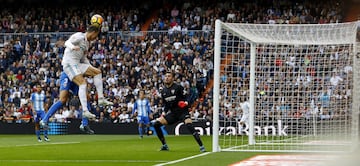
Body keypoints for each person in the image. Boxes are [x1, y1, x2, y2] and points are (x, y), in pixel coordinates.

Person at [61, 25, 112, 119]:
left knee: (97, 72)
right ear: (93, 32)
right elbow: (67, 42)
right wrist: (72, 47)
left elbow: (83, 58)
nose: (95, 38)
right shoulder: (79, 36)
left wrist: (90, 67)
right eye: (96, 36)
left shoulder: (87, 44)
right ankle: (85, 111)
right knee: (82, 83)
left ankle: (101, 99)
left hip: (76, 64)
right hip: (69, 64)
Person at [152, 71, 205, 152]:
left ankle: (201, 146)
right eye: (166, 76)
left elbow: (187, 97)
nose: (166, 78)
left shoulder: (178, 87)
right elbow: (166, 105)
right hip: (173, 114)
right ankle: (164, 145)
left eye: (169, 76)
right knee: (156, 124)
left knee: (189, 125)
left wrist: (186, 103)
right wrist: (163, 113)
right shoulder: (163, 91)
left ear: (173, 78)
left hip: (182, 112)